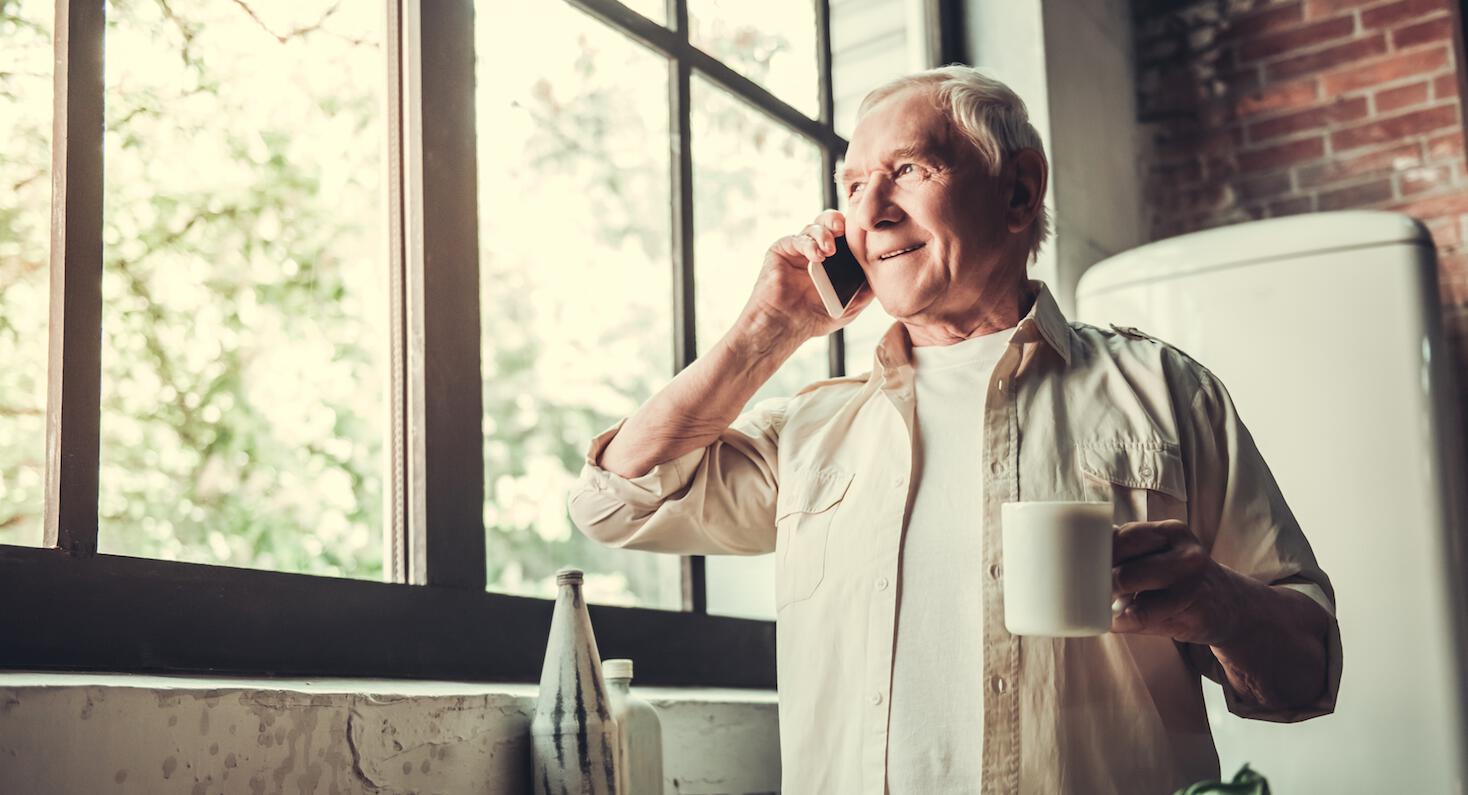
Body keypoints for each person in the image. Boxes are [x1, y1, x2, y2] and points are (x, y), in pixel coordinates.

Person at [566, 65, 1342, 795]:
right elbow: (612, 502)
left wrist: (1216, 601)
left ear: (1018, 191)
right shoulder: (811, 428)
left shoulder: (1169, 391)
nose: (871, 212)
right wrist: (763, 331)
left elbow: (1309, 676)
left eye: (909, 170)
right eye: (854, 185)